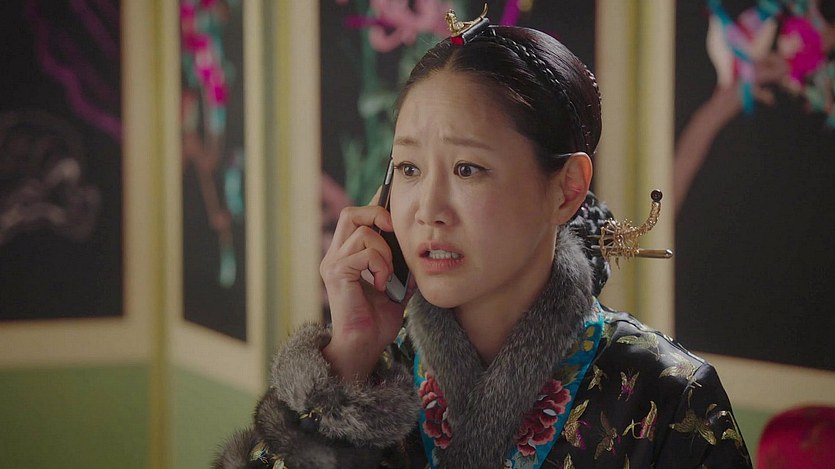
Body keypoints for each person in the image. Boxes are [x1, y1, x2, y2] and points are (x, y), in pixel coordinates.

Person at [214, 8, 752, 469]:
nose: (428, 210)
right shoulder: (371, 375)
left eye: (467, 169)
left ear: (567, 189)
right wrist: (349, 351)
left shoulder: (666, 396)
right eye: (408, 168)